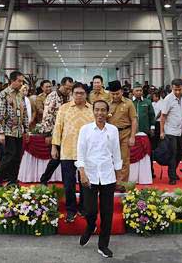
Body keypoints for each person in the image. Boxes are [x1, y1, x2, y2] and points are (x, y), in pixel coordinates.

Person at [77, 100, 122, 259]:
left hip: (107, 175)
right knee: (89, 210)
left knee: (107, 212)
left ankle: (103, 245)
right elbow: (80, 153)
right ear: (93, 111)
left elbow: (116, 152)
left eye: (103, 110)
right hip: (89, 175)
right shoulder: (85, 130)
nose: (100, 113)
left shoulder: (113, 130)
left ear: (107, 112)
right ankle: (90, 226)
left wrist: (118, 172)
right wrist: (82, 172)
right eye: (97, 110)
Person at [51, 82, 94, 222]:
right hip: (67, 151)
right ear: (72, 94)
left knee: (85, 183)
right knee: (68, 184)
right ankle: (71, 210)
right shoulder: (64, 108)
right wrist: (54, 146)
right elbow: (58, 128)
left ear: (86, 94)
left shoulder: (92, 109)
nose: (79, 96)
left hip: (87, 153)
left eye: (82, 93)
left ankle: (83, 208)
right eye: (76, 93)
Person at [0, 71, 27, 186]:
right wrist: (1, 132)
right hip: (8, 130)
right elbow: (0, 115)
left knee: (17, 157)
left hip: (18, 131)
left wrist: (26, 130)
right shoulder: (4, 94)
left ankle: (13, 180)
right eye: (19, 81)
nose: (21, 83)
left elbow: (25, 113)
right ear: (12, 81)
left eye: (22, 81)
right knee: (9, 155)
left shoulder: (21, 94)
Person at [39, 77, 73, 184]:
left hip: (68, 133)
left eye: (70, 88)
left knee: (65, 160)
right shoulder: (52, 96)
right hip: (55, 132)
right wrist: (48, 134)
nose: (68, 90)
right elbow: (47, 116)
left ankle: (65, 182)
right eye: (67, 88)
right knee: (55, 159)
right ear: (61, 85)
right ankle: (44, 179)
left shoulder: (70, 96)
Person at [106, 80, 137, 186]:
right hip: (110, 136)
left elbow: (134, 120)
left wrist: (132, 137)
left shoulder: (128, 103)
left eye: (117, 93)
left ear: (122, 92)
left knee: (124, 160)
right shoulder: (107, 104)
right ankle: (111, 182)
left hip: (125, 133)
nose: (115, 96)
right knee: (110, 159)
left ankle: (122, 184)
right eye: (113, 94)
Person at [160, 79, 182, 185]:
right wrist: (162, 132)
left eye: (179, 89)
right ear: (172, 88)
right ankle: (172, 176)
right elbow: (163, 117)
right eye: (175, 89)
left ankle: (173, 171)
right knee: (172, 153)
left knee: (180, 154)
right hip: (170, 131)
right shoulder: (168, 99)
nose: (177, 92)